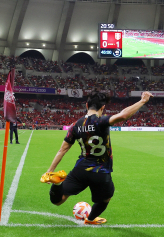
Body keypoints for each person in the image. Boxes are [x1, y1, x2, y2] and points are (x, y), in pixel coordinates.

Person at [41, 91, 153, 225]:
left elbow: (62, 150)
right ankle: (90, 218)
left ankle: (57, 183)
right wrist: (142, 101)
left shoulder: (75, 125)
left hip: (81, 169)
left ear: (87, 105)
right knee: (106, 198)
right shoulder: (102, 121)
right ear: (103, 107)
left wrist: (50, 170)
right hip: (101, 172)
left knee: (59, 200)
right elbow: (123, 115)